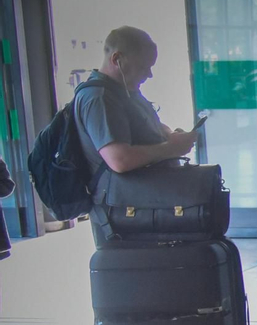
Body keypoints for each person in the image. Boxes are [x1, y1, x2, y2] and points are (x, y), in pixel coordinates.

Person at [75, 26, 198, 243]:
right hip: (124, 217)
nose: (149, 75)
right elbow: (120, 159)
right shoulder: (100, 98)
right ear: (117, 59)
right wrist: (172, 148)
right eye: (143, 67)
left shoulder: (125, 91)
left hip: (143, 208)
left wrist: (171, 137)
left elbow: (152, 126)